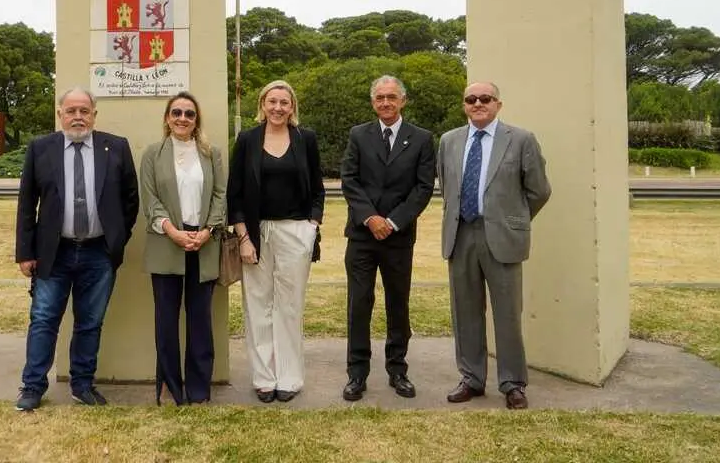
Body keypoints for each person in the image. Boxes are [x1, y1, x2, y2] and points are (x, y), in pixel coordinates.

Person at [13, 86, 139, 411]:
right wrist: (25, 253)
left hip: (99, 254)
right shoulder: (41, 149)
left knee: (90, 322)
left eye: (84, 110)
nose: (78, 117)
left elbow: (130, 200)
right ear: (60, 115)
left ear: (94, 114)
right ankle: (32, 387)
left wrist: (116, 240)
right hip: (53, 253)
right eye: (71, 111)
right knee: (43, 319)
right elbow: (27, 204)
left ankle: (82, 385)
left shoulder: (117, 148)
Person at [436, 81, 551, 410]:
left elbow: (539, 190)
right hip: (461, 237)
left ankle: (512, 383)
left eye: (485, 98)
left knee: (507, 314)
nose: (477, 104)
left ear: (498, 104)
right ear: (464, 105)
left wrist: (513, 218)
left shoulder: (521, 140)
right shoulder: (449, 141)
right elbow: (448, 187)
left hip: (502, 237)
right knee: (465, 312)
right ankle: (471, 378)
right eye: (470, 99)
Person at [227, 79, 324, 403]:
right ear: (263, 105)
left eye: (284, 102)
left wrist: (312, 224)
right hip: (255, 233)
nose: (278, 108)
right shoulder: (247, 139)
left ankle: (290, 377)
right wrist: (243, 237)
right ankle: (264, 378)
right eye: (272, 102)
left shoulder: (305, 139)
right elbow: (235, 193)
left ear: (292, 106)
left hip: (295, 232)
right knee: (258, 305)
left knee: (289, 306)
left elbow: (318, 190)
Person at [339, 75, 435, 402]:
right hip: (362, 236)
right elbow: (349, 180)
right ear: (372, 102)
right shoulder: (358, 135)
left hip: (398, 237)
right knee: (359, 305)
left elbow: (423, 188)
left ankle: (398, 369)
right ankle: (357, 373)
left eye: (391, 97)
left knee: (398, 305)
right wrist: (372, 218)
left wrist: (392, 222)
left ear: (403, 101)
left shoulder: (421, 139)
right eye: (379, 97)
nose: (385, 103)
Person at [139, 92, 226, 406]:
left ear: (196, 120)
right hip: (167, 243)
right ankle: (170, 386)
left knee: (200, 320)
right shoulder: (152, 154)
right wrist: (173, 232)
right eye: (176, 112)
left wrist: (206, 231)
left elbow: (220, 196)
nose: (182, 118)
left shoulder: (210, 153)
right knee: (166, 320)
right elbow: (150, 202)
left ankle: (199, 389)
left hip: (203, 244)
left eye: (189, 114)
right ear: (167, 117)